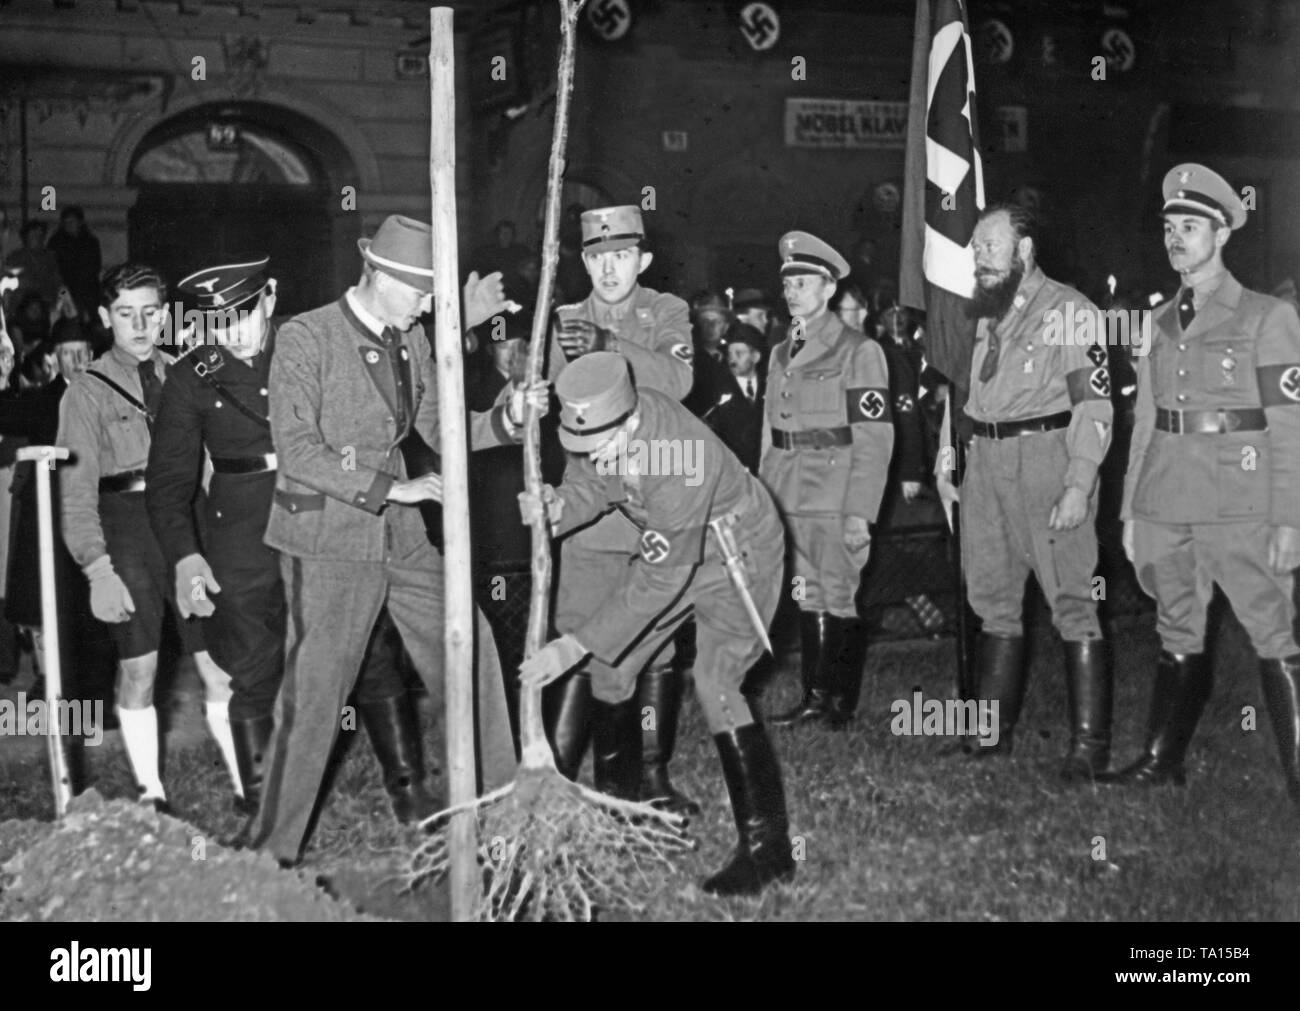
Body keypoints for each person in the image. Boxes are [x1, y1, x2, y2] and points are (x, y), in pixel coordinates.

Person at [247, 215, 544, 865]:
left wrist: (509, 417)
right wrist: (393, 486)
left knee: (470, 647)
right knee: (318, 694)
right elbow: (298, 451)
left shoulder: (411, 340)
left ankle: (506, 812)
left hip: (402, 539)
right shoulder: (305, 336)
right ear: (376, 275)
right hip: (325, 538)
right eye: (417, 291)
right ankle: (268, 856)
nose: (425, 306)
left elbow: (446, 431)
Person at [146, 255, 440, 822]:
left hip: (331, 515)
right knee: (254, 669)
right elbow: (169, 484)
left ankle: (410, 792)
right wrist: (185, 557)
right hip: (243, 528)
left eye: (243, 313)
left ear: (270, 298)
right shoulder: (191, 377)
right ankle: (264, 812)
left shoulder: (315, 343)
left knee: (372, 654)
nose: (231, 331)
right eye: (217, 321)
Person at [520, 352, 794, 896]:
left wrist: (573, 644)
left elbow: (660, 581)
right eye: (580, 446)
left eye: (600, 444)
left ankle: (768, 853)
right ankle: (618, 820)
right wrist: (558, 509)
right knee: (612, 670)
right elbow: (593, 485)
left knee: (717, 683)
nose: (590, 454)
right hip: (676, 551)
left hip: (737, 551)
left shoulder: (681, 454)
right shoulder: (599, 426)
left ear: (630, 420)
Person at [1108, 164, 1300, 802]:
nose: (1177, 238)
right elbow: (1143, 424)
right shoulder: (1158, 322)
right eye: (1170, 226)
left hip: (1239, 501)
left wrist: (1289, 518)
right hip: (1166, 500)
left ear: (1221, 234)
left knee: (1272, 631)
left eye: (1190, 226)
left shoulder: (1266, 317)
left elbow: (1289, 426)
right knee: (1176, 627)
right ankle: (1162, 760)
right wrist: (1133, 510)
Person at [57, 263, 239, 811]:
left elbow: (210, 467)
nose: (139, 325)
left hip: (186, 528)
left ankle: (244, 784)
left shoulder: (186, 377)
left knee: (217, 665)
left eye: (150, 313)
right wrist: (97, 568)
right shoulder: (85, 393)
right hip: (127, 532)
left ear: (164, 314)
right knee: (140, 669)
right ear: (104, 317)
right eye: (125, 314)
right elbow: (76, 492)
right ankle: (151, 792)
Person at [945, 204, 1114, 778]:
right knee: (992, 599)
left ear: (1024, 250)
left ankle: (1088, 748)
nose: (977, 257)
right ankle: (993, 737)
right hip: (987, 461)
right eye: (974, 247)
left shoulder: (1072, 311)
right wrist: (957, 461)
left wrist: (1078, 482)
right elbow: (975, 397)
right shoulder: (988, 314)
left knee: (1072, 599)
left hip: (1047, 459)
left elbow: (1094, 404)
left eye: (988, 246)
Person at [540, 205, 698, 814]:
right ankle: (554, 777)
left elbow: (679, 383)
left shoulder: (665, 312)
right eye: (598, 257)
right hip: (592, 506)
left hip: (660, 499)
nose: (610, 268)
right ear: (584, 261)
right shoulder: (562, 321)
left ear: (643, 260)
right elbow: (552, 407)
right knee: (581, 635)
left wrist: (611, 344)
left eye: (623, 256)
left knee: (655, 643)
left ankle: (650, 779)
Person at [762, 232, 894, 731]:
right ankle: (814, 697)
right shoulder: (779, 354)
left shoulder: (857, 351)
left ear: (829, 287)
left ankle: (840, 702)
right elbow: (770, 433)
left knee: (838, 593)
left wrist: (861, 509)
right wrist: (763, 495)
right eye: (788, 282)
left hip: (835, 494)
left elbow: (875, 437)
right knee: (806, 594)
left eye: (803, 282)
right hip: (788, 492)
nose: (792, 291)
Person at [705, 320, 766, 474]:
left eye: (739, 353)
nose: (732, 360)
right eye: (730, 354)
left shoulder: (771, 386)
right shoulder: (716, 391)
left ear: (755, 357)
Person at [683, 290, 735, 416]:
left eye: (717, 322)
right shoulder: (688, 359)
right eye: (705, 321)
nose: (711, 326)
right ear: (696, 325)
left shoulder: (732, 358)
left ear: (725, 327)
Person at [46, 207, 102, 324]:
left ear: (80, 222)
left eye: (72, 221)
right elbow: (52, 266)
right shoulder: (56, 242)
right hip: (64, 287)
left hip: (87, 288)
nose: (69, 225)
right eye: (66, 222)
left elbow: (95, 266)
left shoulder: (90, 242)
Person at [4, 220, 64, 308]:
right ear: (26, 237)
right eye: (33, 235)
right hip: (22, 305)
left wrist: (60, 303)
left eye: (40, 235)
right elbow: (8, 281)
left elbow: (59, 283)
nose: (37, 238)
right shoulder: (15, 257)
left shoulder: (50, 257)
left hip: (46, 304)